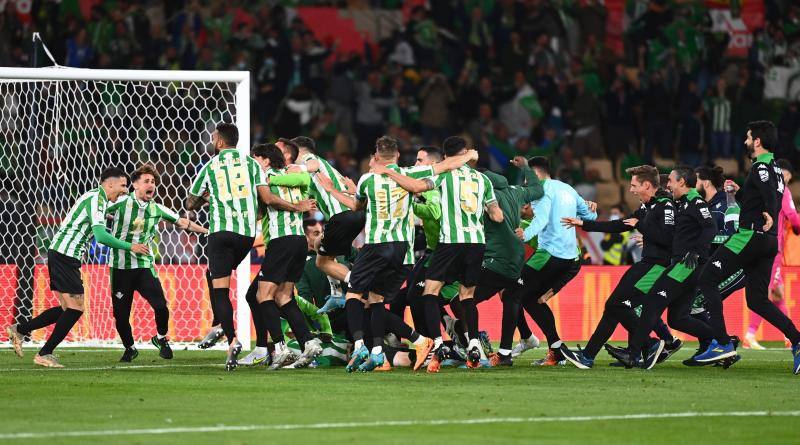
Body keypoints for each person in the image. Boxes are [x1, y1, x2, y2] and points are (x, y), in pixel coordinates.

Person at [186, 123, 313, 370]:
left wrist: (208, 197)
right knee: (264, 294)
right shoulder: (253, 166)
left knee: (224, 287)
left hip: (224, 233)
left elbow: (190, 203)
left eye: (214, 138)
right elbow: (265, 198)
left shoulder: (210, 165)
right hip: (245, 236)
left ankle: (234, 338)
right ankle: (278, 345)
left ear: (220, 142)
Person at [371, 136, 503, 370]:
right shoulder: (483, 180)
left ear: (445, 158)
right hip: (476, 243)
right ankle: (473, 343)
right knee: (467, 296)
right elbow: (496, 215)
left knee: (430, 293)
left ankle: (439, 343)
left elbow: (415, 186)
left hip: (450, 242)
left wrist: (388, 172)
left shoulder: (443, 175)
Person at [6, 168, 149, 368]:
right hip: (65, 255)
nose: (125, 190)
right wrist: (130, 246)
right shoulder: (96, 200)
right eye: (123, 186)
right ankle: (44, 353)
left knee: (67, 308)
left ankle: (20, 329)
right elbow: (100, 236)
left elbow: (99, 218)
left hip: (62, 253)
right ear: (109, 184)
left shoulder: (97, 199)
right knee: (76, 308)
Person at [696, 121, 800, 374]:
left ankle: (721, 343)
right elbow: (765, 196)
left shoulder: (761, 167)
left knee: (707, 278)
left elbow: (770, 198)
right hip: (768, 242)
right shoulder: (775, 168)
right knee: (757, 301)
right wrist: (743, 193)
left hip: (750, 236)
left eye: (748, 136)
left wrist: (769, 214)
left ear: (757, 141)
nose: (745, 141)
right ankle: (798, 341)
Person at [560, 165, 679, 369]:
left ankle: (650, 345)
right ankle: (588, 356)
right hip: (646, 264)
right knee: (613, 307)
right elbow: (619, 225)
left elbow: (668, 239)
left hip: (657, 267)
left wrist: (639, 226)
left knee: (617, 305)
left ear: (647, 185)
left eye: (634, 185)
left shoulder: (665, 206)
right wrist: (585, 224)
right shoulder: (646, 208)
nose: (631, 190)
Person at [606, 166, 718, 369]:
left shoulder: (695, 201)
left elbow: (710, 227)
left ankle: (633, 353)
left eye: (671, 182)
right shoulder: (680, 202)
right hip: (681, 264)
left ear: (682, 182)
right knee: (677, 319)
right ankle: (724, 340)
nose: (668, 185)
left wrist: (695, 251)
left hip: (687, 265)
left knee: (651, 302)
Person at [106, 164, 208, 362]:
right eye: (146, 181)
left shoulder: (157, 208)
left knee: (161, 306)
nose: (151, 184)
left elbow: (182, 222)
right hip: (120, 268)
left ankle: (161, 338)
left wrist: (208, 232)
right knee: (121, 315)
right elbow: (97, 213)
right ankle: (129, 347)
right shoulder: (119, 204)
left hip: (144, 266)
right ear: (134, 185)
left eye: (153, 182)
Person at [511, 156, 597, 367]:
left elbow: (541, 220)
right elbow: (589, 217)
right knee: (533, 299)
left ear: (537, 174)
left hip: (549, 254)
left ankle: (517, 344)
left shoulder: (542, 191)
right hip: (569, 258)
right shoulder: (567, 188)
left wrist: (525, 233)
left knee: (510, 292)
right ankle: (556, 349)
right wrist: (592, 209)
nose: (525, 183)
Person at [745, 158, 800, 350]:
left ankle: (788, 337)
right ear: (786, 174)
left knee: (778, 295)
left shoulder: (764, 190)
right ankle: (750, 334)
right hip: (772, 249)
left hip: (762, 243)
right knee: (764, 294)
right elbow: (793, 216)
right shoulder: (782, 190)